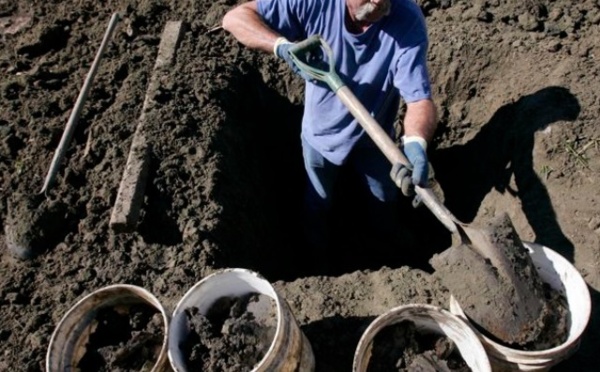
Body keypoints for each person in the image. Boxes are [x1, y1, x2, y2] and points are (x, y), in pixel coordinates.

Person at [222, 0, 438, 270]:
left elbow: (419, 99)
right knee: (318, 201)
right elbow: (235, 18)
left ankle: (390, 248)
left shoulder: (406, 19)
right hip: (319, 137)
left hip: (376, 142)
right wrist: (283, 47)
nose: (380, 2)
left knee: (384, 200)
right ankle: (316, 255)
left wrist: (416, 143)